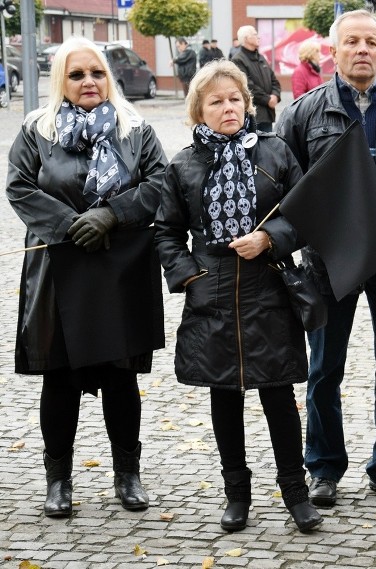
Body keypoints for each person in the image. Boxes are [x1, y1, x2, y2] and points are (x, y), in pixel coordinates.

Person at [154, 59, 322, 534]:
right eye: (216, 101)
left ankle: (295, 492)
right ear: (198, 110)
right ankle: (237, 494)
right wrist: (190, 276)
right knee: (224, 397)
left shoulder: (275, 152)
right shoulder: (184, 165)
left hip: (267, 288)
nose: (228, 108)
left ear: (247, 104)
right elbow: (166, 232)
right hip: (212, 294)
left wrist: (270, 239)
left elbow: (303, 212)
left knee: (278, 393)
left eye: (235, 99)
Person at [5, 36, 168, 518]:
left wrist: (112, 215)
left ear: (108, 77)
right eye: (76, 75)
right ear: (62, 80)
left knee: (120, 379)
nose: (88, 82)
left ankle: (127, 474)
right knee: (60, 376)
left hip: (120, 269)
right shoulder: (39, 129)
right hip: (58, 268)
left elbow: (159, 183)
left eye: (96, 72)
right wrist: (70, 225)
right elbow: (18, 185)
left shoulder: (134, 128)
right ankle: (58, 480)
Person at [276, 9, 376, 509]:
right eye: (352, 42)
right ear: (334, 51)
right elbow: (284, 186)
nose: (362, 50)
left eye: (371, 42)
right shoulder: (302, 114)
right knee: (325, 370)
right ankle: (324, 466)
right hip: (328, 259)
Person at [230, 25, 280, 132]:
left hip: (267, 115)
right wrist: (267, 99)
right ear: (246, 38)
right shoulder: (238, 60)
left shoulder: (261, 58)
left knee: (268, 146)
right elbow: (246, 86)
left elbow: (274, 80)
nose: (258, 37)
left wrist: (275, 95)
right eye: (255, 34)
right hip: (252, 116)